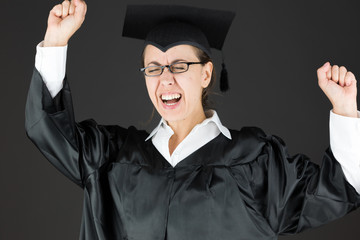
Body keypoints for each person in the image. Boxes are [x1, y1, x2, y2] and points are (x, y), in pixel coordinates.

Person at [25, 0, 360, 239]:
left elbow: (337, 193)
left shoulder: (254, 160)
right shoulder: (112, 158)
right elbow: (49, 130)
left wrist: (345, 109)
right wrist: (56, 41)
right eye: (153, 68)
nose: (165, 79)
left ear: (206, 74)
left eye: (180, 66)